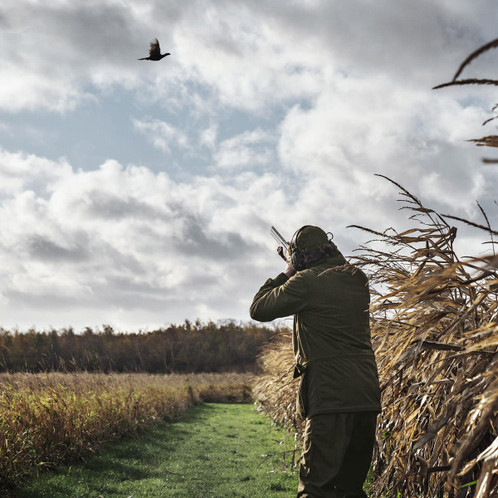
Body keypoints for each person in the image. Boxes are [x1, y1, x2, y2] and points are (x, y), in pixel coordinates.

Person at [250, 225, 381, 498]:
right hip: (366, 394)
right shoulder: (358, 278)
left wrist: (288, 270)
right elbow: (331, 279)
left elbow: (259, 308)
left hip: (330, 394)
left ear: (300, 258)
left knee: (315, 488)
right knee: (350, 489)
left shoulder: (305, 281)